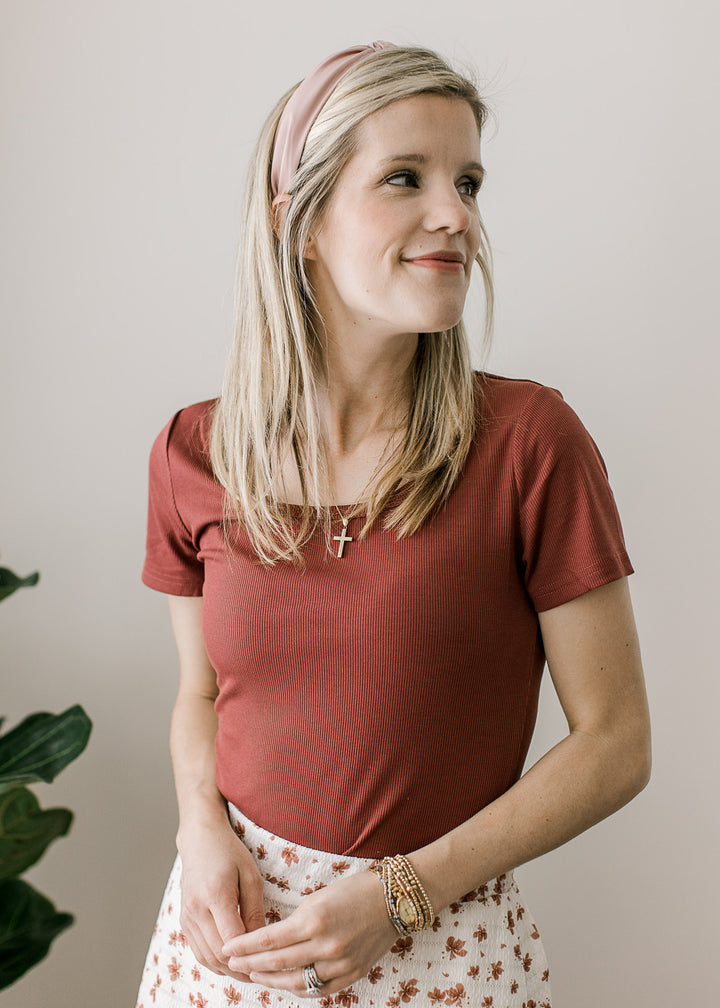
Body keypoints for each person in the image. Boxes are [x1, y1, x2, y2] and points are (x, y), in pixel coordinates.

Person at [136, 41, 651, 1008]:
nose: (456, 214)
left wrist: (401, 895)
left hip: (442, 950)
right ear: (302, 224)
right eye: (405, 178)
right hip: (228, 948)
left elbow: (616, 741)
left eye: (468, 180)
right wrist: (197, 827)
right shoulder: (195, 453)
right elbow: (201, 693)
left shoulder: (529, 443)